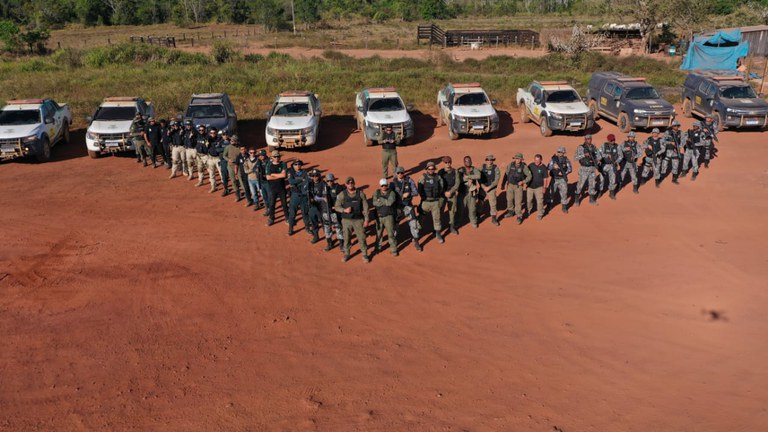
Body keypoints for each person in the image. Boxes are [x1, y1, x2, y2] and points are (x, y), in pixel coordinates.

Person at [334, 177, 371, 263]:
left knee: (361, 237)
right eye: (348, 183)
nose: (350, 184)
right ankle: (347, 253)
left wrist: (366, 219)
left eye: (352, 182)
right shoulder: (342, 194)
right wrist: (344, 210)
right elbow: (336, 206)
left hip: (358, 220)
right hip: (346, 220)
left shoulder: (361, 194)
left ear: (354, 183)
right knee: (346, 237)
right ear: (346, 184)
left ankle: (364, 254)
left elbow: (365, 208)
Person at [392, 166, 422, 252]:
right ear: (396, 174)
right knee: (395, 225)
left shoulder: (409, 181)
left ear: (404, 173)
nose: (400, 174)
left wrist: (409, 194)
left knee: (413, 223)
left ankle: (416, 241)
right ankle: (394, 242)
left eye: (401, 173)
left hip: (408, 206)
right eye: (398, 173)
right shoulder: (393, 183)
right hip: (398, 207)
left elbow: (416, 192)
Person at [418, 161, 446, 244]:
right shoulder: (422, 178)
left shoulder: (438, 177)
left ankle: (438, 234)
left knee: (437, 219)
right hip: (425, 202)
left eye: (432, 169)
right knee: (421, 218)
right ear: (427, 169)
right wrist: (423, 197)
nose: (431, 170)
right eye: (429, 169)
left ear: (434, 169)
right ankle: (417, 234)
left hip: (435, 202)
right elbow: (420, 188)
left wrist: (438, 197)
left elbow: (442, 187)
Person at [287, 159, 314, 238]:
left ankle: (307, 228)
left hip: (304, 195)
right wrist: (302, 180)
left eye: (299, 164)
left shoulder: (305, 172)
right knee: (292, 213)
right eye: (295, 164)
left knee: (305, 213)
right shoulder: (290, 172)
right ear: (293, 165)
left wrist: (298, 181)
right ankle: (290, 229)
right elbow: (291, 181)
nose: (297, 166)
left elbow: (308, 181)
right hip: (294, 195)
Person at [502, 152, 531, 224]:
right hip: (510, 185)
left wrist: (523, 182)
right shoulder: (510, 165)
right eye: (516, 158)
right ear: (514, 159)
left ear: (521, 159)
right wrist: (503, 184)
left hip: (518, 186)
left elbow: (529, 176)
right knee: (509, 199)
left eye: (519, 159)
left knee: (518, 202)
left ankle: (519, 216)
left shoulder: (524, 167)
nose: (517, 160)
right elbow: (506, 174)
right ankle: (511, 211)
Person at [318, 173, 344, 251]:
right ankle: (329, 244)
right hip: (325, 212)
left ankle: (341, 244)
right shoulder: (322, 187)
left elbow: (341, 199)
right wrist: (322, 199)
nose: (329, 182)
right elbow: (316, 197)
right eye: (328, 181)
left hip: (335, 213)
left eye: (331, 181)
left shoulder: (338, 187)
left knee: (338, 228)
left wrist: (336, 207)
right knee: (327, 228)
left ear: (333, 180)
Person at [372, 178, 398, 256]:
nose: (384, 187)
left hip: (389, 217)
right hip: (379, 217)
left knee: (391, 234)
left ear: (387, 185)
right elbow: (374, 203)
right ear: (380, 186)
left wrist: (380, 200)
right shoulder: (376, 192)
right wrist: (384, 201)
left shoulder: (392, 193)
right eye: (382, 185)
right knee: (379, 234)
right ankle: (377, 248)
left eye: (385, 185)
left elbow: (390, 203)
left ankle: (393, 249)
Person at [574, 134, 601, 205]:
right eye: (587, 139)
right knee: (580, 184)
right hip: (584, 169)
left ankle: (591, 200)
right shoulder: (581, 148)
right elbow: (575, 157)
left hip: (592, 168)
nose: (589, 140)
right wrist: (584, 155)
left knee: (592, 184)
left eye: (590, 139)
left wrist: (598, 159)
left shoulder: (593, 147)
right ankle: (577, 199)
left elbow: (598, 155)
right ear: (585, 139)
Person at [438, 156, 461, 234]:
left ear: (451, 162)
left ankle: (452, 226)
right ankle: (438, 227)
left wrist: (450, 192)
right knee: (440, 211)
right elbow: (438, 184)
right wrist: (444, 192)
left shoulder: (455, 171)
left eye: (449, 162)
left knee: (452, 211)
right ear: (443, 163)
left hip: (452, 194)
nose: (447, 164)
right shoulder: (440, 172)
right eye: (446, 162)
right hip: (442, 194)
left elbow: (457, 183)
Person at [265, 150, 289, 226]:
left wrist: (273, 174)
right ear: (272, 157)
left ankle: (287, 218)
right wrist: (279, 175)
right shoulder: (268, 164)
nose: (276, 158)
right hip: (272, 188)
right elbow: (268, 177)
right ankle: (271, 218)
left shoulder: (283, 164)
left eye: (278, 156)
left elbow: (284, 175)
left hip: (282, 188)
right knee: (272, 204)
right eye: (275, 156)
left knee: (284, 204)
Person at [457, 156, 481, 228]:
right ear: (464, 162)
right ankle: (457, 222)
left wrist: (469, 176)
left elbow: (478, 176)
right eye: (466, 161)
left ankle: (473, 221)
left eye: (469, 161)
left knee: (472, 208)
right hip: (462, 193)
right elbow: (458, 179)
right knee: (460, 209)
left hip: (472, 193)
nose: (468, 162)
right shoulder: (460, 170)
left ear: (471, 161)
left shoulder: (474, 169)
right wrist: (466, 179)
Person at [547, 146, 572, 214]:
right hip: (554, 178)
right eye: (558, 152)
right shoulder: (553, 159)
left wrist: (564, 172)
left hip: (562, 179)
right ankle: (549, 205)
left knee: (564, 193)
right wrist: (553, 166)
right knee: (551, 192)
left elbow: (570, 169)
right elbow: (548, 167)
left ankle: (564, 207)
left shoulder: (566, 160)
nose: (560, 153)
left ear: (564, 153)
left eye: (561, 152)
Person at [480, 154, 501, 226]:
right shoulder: (481, 167)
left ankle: (494, 218)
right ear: (486, 160)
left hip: (491, 189)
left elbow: (496, 180)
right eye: (488, 159)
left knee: (493, 204)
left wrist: (489, 187)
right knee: (480, 202)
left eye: (491, 160)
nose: (489, 161)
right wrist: (483, 186)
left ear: (493, 161)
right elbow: (478, 177)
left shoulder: (496, 168)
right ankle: (478, 214)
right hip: (482, 188)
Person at [527, 154, 549, 220]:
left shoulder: (544, 168)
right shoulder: (530, 165)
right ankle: (528, 210)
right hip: (530, 187)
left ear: (541, 160)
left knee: (540, 201)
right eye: (535, 160)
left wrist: (544, 187)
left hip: (539, 187)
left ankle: (540, 214)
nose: (536, 161)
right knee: (529, 200)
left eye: (538, 160)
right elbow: (526, 174)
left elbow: (545, 179)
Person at [223, 136, 246, 201]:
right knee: (233, 180)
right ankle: (237, 195)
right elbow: (224, 155)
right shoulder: (228, 147)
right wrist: (228, 159)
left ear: (236, 141)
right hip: (230, 166)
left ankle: (246, 194)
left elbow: (244, 154)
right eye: (231, 140)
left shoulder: (240, 147)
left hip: (238, 166)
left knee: (241, 180)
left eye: (233, 140)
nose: (232, 141)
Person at [599, 134, 622, 199]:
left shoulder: (617, 146)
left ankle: (611, 193)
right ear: (608, 140)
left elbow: (621, 156)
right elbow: (599, 153)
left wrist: (617, 161)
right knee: (601, 179)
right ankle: (600, 192)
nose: (613, 141)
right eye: (611, 140)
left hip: (613, 165)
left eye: (614, 139)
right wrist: (606, 155)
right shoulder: (604, 145)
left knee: (613, 180)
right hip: (604, 165)